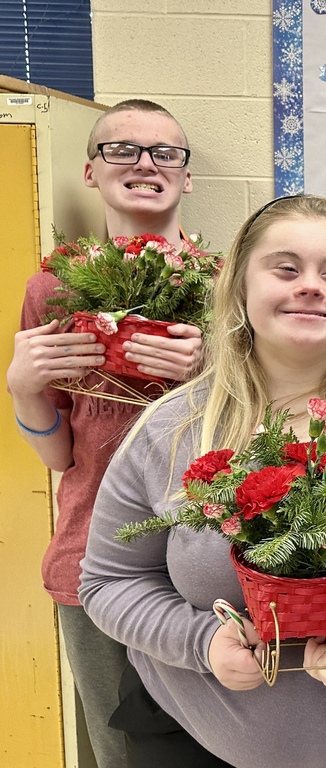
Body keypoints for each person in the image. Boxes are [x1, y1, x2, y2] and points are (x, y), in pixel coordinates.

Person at [79, 195, 326, 768]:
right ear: (241, 286)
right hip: (189, 737)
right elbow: (108, 582)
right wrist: (200, 643)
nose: (310, 286)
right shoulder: (172, 427)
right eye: (285, 269)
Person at [5, 99, 203, 768]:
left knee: (221, 746)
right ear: (91, 171)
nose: (146, 164)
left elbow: (283, 421)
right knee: (120, 754)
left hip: (208, 562)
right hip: (92, 556)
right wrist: (24, 387)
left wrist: (214, 373)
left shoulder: (231, 286)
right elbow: (59, 453)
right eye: (122, 149)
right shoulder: (54, 287)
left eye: (165, 153)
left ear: (186, 176)